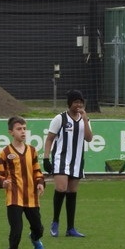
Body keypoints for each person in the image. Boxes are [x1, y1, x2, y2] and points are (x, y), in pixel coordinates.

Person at [0, 116, 46, 249]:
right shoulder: (5, 152)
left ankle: (35, 239)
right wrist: (3, 182)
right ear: (11, 132)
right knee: (16, 230)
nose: (23, 132)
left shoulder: (32, 151)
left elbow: (37, 171)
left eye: (24, 128)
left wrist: (40, 183)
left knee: (39, 228)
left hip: (31, 197)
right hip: (14, 198)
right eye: (19, 129)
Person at [43, 89, 93, 238]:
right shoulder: (60, 118)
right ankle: (55, 222)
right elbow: (50, 139)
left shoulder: (86, 120)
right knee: (61, 188)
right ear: (70, 103)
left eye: (80, 102)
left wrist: (85, 119)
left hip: (77, 161)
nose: (78, 105)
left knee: (72, 192)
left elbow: (89, 139)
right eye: (76, 102)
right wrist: (46, 158)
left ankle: (70, 228)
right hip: (61, 159)